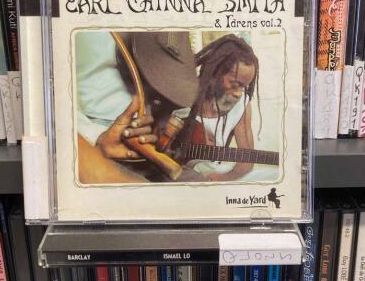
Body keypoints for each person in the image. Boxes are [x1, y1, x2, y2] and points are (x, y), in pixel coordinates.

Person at [75, 30, 199, 184]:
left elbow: (180, 80)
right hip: (88, 145)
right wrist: (95, 136)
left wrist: (162, 124)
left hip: (147, 147)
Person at [177, 34, 260, 181]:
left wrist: (224, 178)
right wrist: (192, 131)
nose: (239, 93)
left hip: (208, 172)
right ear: (215, 73)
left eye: (244, 87)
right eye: (235, 84)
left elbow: (247, 161)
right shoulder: (183, 93)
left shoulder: (242, 104)